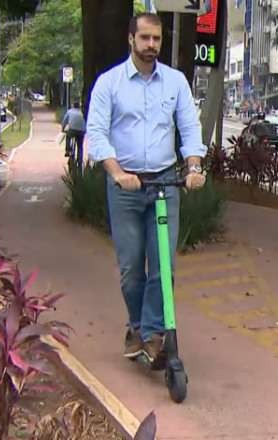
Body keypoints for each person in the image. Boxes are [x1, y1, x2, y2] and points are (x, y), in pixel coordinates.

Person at [87, 12, 207, 364]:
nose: (151, 45)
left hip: (164, 183)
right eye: (145, 38)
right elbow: (97, 134)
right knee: (130, 269)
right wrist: (116, 171)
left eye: (156, 39)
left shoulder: (175, 82)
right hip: (125, 186)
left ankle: (152, 334)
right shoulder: (109, 84)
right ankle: (138, 327)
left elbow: (189, 127)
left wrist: (194, 166)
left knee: (163, 267)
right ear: (131, 39)